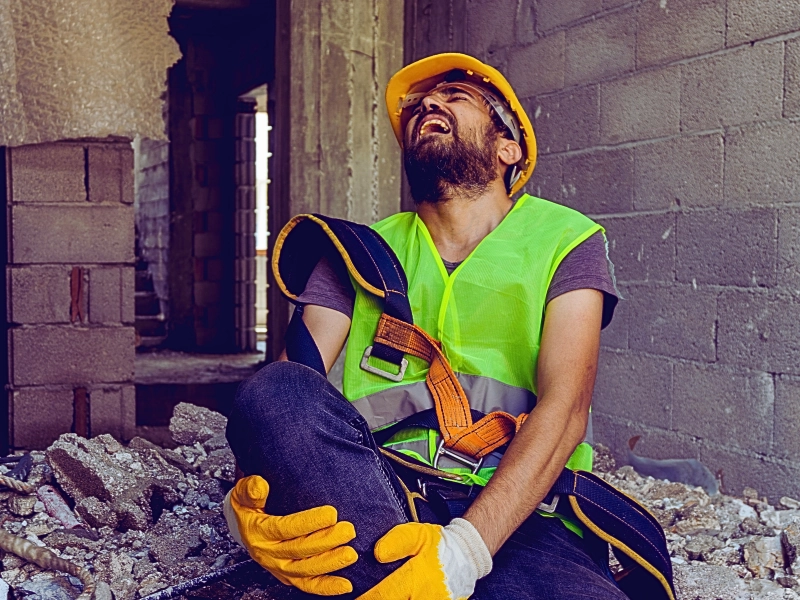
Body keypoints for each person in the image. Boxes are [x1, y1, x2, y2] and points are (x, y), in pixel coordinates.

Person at [223, 53, 627, 600]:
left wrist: (464, 551)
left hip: (522, 512)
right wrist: (246, 503)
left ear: (509, 148)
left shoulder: (567, 240)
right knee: (269, 390)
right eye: (418, 105)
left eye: (456, 97)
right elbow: (292, 391)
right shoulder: (357, 250)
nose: (429, 103)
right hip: (376, 496)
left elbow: (565, 410)